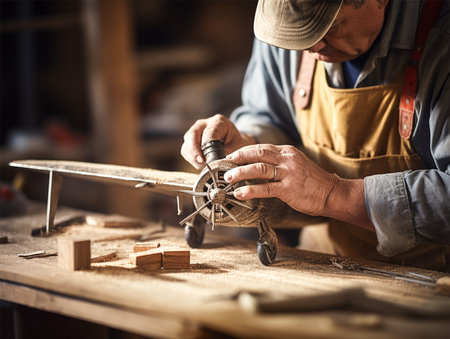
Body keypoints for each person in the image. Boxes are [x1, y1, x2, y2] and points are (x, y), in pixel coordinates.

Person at [181, 0, 450, 271]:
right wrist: (249, 142)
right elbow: (268, 114)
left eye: (331, 26)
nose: (310, 49)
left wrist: (333, 195)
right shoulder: (288, 28)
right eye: (296, 37)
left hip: (431, 280)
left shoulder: (443, 40)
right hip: (324, 263)